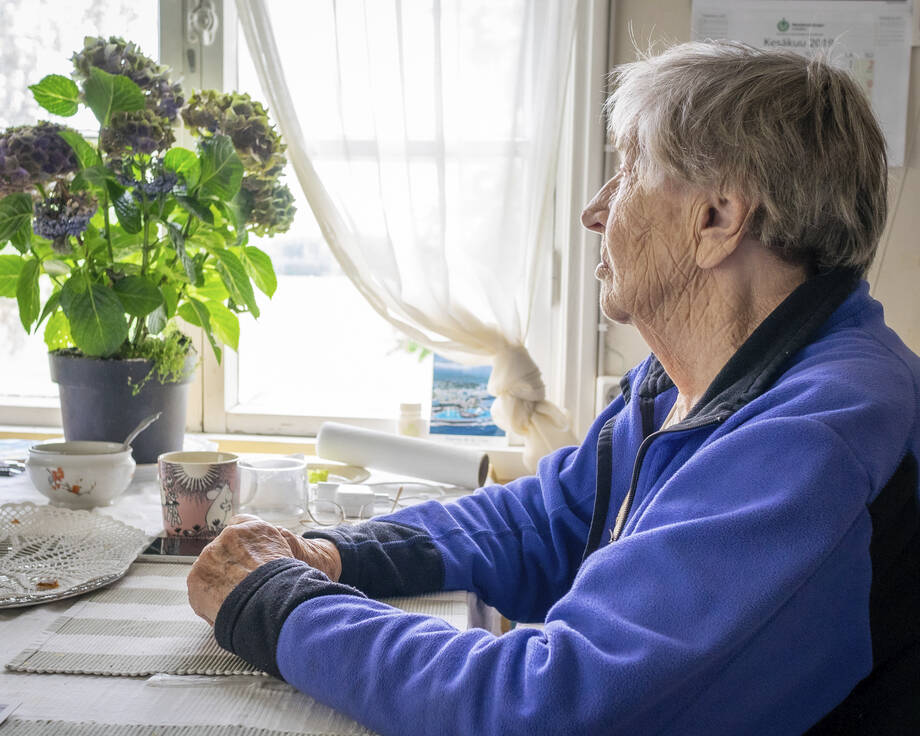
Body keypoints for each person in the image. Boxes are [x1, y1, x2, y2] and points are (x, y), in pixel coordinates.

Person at [187, 41, 920, 734]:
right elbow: (547, 521)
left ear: (718, 218)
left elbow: (548, 707)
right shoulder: (694, 382)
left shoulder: (816, 436)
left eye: (629, 170)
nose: (596, 210)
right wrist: (340, 554)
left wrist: (274, 603)